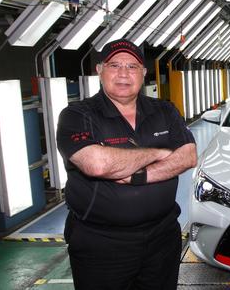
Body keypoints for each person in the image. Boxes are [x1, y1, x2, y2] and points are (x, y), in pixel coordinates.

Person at [56, 39, 197, 290]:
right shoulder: (77, 115)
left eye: (132, 67)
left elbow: (187, 156)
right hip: (101, 243)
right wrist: (161, 151)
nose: (123, 73)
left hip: (162, 237)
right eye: (115, 65)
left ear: (143, 73)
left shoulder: (164, 110)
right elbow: (97, 164)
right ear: (100, 70)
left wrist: (138, 175)